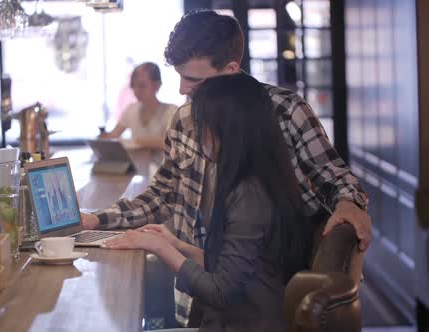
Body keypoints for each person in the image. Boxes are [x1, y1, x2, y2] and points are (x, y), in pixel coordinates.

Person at [82, 10, 371, 326]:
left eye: (192, 78)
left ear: (231, 70)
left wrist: (349, 204)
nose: (181, 89)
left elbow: (337, 180)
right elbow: (161, 197)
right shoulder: (183, 119)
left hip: (257, 303)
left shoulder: (287, 112)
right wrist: (97, 219)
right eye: (178, 75)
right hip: (200, 293)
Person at [105, 73, 309, 331]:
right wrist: (177, 244)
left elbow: (222, 292)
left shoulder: (249, 194)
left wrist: (161, 248)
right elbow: (231, 269)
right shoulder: (252, 179)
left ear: (228, 129)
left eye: (203, 127)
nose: (198, 137)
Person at [100, 62, 178, 150]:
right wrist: (103, 137)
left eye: (142, 86)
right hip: (137, 163)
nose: (136, 90)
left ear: (157, 85)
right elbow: (114, 135)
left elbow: (174, 143)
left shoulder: (171, 111)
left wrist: (137, 141)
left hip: (163, 163)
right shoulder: (131, 109)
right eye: (133, 85)